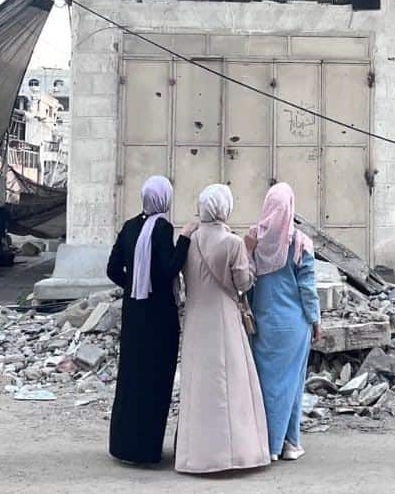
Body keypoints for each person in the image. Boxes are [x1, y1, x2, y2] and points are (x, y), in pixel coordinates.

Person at [175, 184, 270, 475]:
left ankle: (196, 456)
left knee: (199, 385)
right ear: (224, 208)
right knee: (231, 385)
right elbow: (243, 283)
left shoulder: (188, 241)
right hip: (224, 318)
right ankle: (236, 454)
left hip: (195, 320)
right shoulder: (233, 243)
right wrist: (250, 253)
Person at [106, 175, 195, 465]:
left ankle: (124, 446)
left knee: (131, 378)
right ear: (165, 199)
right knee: (155, 380)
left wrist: (134, 284)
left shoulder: (130, 226)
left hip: (134, 313)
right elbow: (170, 268)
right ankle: (147, 449)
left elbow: (111, 269)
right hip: (159, 317)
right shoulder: (162, 228)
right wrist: (184, 239)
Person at [245, 183, 320, 462]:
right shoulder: (299, 242)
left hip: (264, 322)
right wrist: (315, 321)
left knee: (267, 385)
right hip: (294, 325)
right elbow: (307, 288)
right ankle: (285, 444)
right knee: (291, 384)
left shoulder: (254, 239)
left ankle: (270, 442)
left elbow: (247, 282)